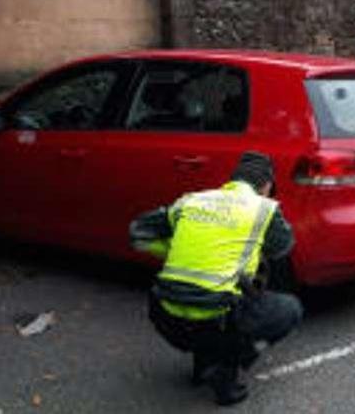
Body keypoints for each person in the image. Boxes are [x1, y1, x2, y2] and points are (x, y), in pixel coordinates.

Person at [130, 151, 303, 406]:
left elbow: (138, 234)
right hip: (217, 316)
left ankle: (203, 365)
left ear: (233, 180)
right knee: (289, 309)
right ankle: (225, 369)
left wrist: (177, 249)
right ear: (266, 185)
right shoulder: (263, 208)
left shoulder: (192, 200)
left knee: (209, 299)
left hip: (164, 316)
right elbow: (282, 247)